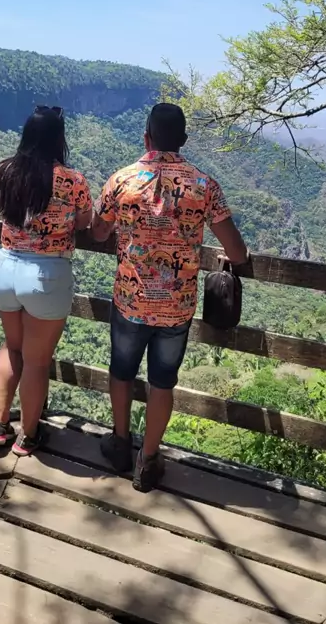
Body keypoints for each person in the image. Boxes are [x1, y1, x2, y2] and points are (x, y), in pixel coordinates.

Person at [92, 103, 248, 492]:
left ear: (146, 137)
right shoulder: (205, 186)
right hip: (176, 307)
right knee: (162, 383)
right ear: (183, 140)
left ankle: (120, 444)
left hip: (131, 300)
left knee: (121, 372)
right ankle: (147, 461)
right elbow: (237, 252)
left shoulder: (121, 181)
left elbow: (97, 232)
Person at [0, 106, 92, 457]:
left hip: (5, 268)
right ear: (58, 138)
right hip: (46, 273)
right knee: (36, 360)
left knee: (11, 348)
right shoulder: (72, 180)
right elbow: (84, 221)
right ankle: (28, 436)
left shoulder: (3, 171)